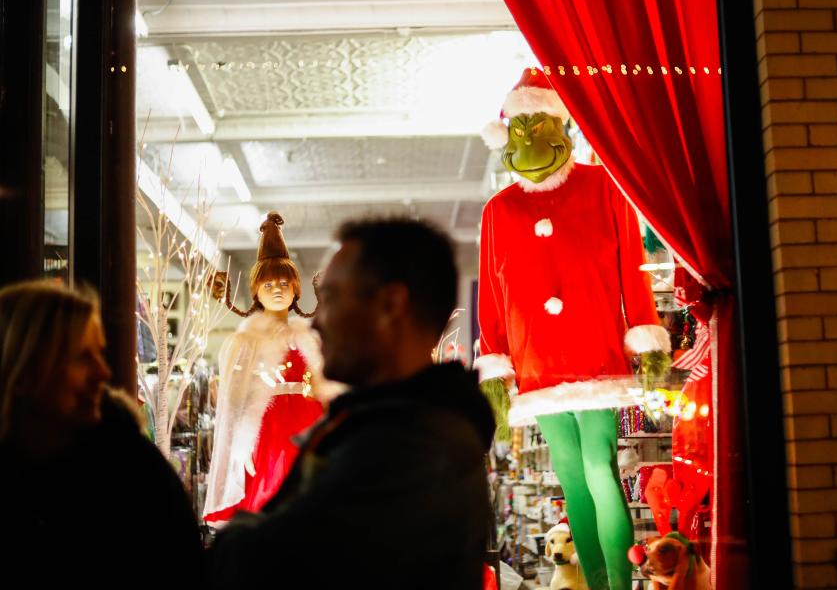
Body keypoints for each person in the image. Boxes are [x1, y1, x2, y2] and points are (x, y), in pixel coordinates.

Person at [206, 218, 495, 589]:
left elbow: (277, 558)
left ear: (390, 305)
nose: (318, 322)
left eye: (332, 299)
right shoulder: (391, 425)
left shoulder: (409, 445)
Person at [0, 280, 202, 583]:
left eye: (100, 354)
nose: (103, 373)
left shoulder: (133, 474)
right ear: (24, 369)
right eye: (82, 357)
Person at [203, 211, 325, 525]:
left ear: (296, 289)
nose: (277, 289)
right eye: (268, 283)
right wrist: (239, 446)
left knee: (309, 499)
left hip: (307, 424)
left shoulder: (308, 338)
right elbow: (232, 400)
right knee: (271, 495)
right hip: (266, 427)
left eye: (285, 282)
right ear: (256, 290)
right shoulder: (245, 341)